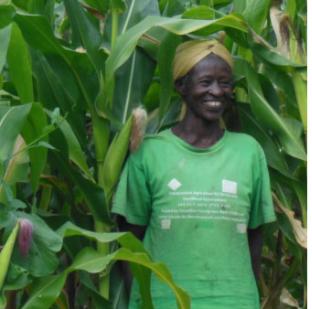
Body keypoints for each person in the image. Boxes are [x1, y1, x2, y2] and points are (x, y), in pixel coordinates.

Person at [112, 40, 275, 308]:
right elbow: (130, 240)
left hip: (235, 301)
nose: (216, 91)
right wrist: (144, 299)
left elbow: (254, 236)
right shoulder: (149, 152)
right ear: (181, 86)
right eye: (206, 82)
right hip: (164, 300)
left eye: (224, 83)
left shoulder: (249, 152)